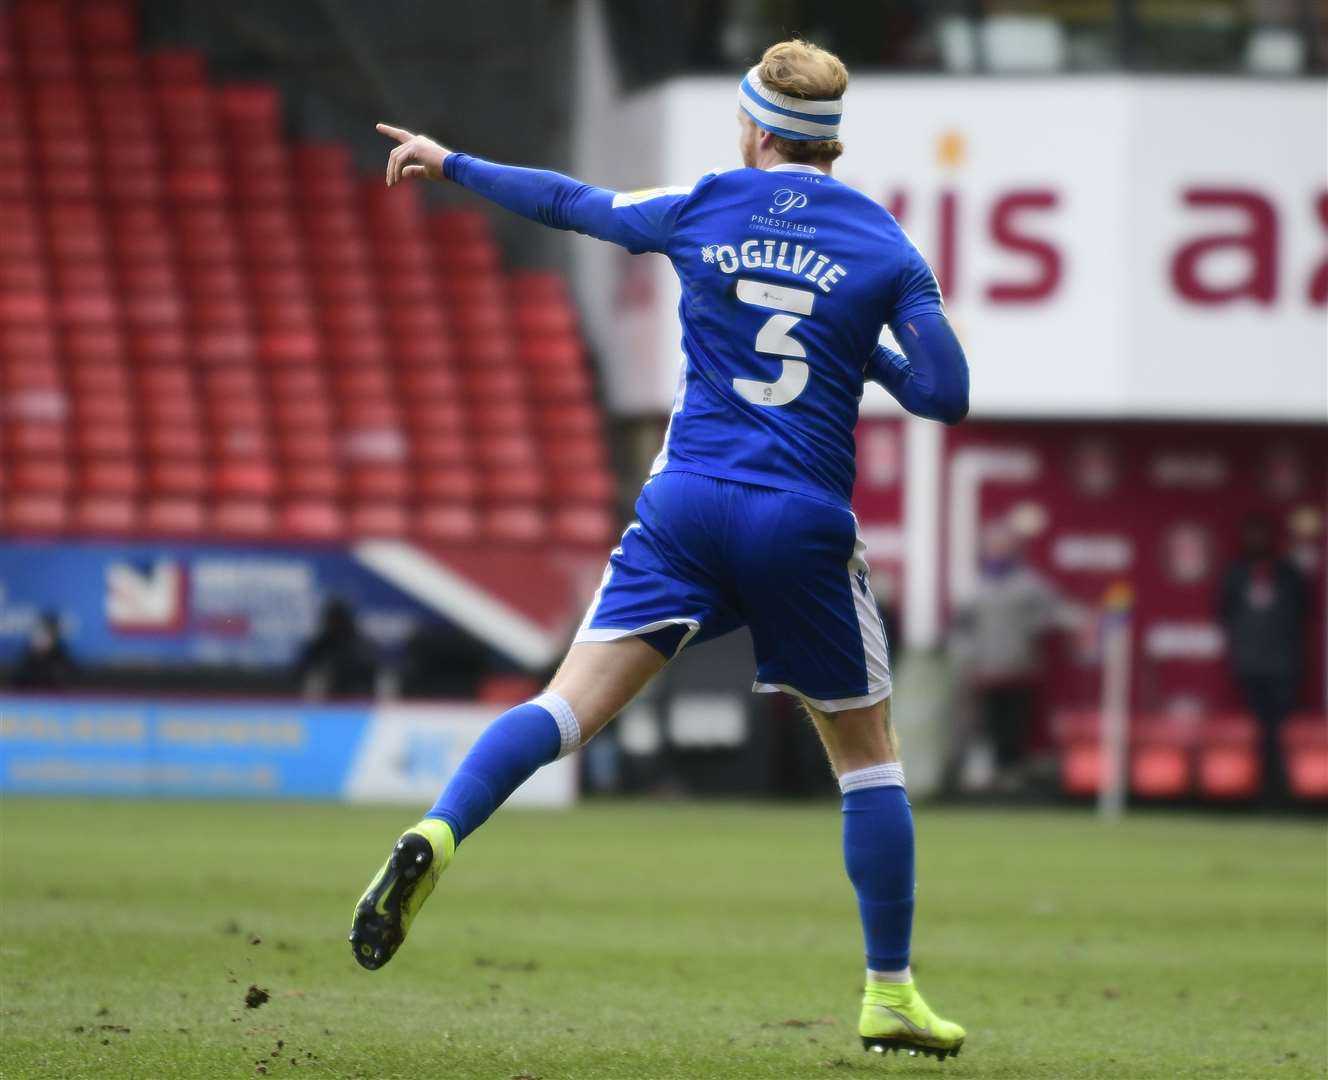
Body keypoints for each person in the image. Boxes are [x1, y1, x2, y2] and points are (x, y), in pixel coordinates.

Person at [352, 40, 971, 1059]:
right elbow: (944, 394)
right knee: (868, 766)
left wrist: (449, 160)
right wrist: (867, 347)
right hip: (795, 516)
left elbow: (570, 203)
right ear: (829, 142)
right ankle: (888, 990)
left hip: (683, 501)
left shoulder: (707, 204)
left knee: (563, 706)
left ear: (755, 130)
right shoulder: (885, 246)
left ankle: (439, 829)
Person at [945, 520, 1075, 792]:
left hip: (1017, 670)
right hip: (982, 671)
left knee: (1013, 725)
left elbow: (1052, 614)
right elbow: (962, 627)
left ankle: (1011, 775)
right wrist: (967, 659)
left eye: (1003, 545)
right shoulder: (975, 586)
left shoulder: (1029, 585)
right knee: (982, 724)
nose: (997, 550)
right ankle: (980, 774)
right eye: (992, 545)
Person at [1218, 513, 1309, 802]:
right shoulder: (1236, 572)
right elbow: (1225, 611)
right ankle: (1255, 790)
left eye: (1261, 534)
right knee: (1255, 732)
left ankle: (1284, 791)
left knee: (1282, 733)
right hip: (1250, 664)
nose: (1256, 541)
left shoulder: (1287, 573)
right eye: (1251, 534)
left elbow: (1303, 611)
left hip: (1283, 664)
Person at [294, 597, 378, 699]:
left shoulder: (361, 646)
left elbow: (370, 678)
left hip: (357, 701)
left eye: (338, 620)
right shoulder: (321, 644)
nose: (334, 625)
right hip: (327, 702)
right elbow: (303, 671)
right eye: (332, 620)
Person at [10, 611, 76, 690]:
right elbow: (15, 690)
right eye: (36, 634)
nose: (38, 638)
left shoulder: (63, 663)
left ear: (53, 637)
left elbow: (68, 689)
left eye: (44, 634)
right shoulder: (25, 663)